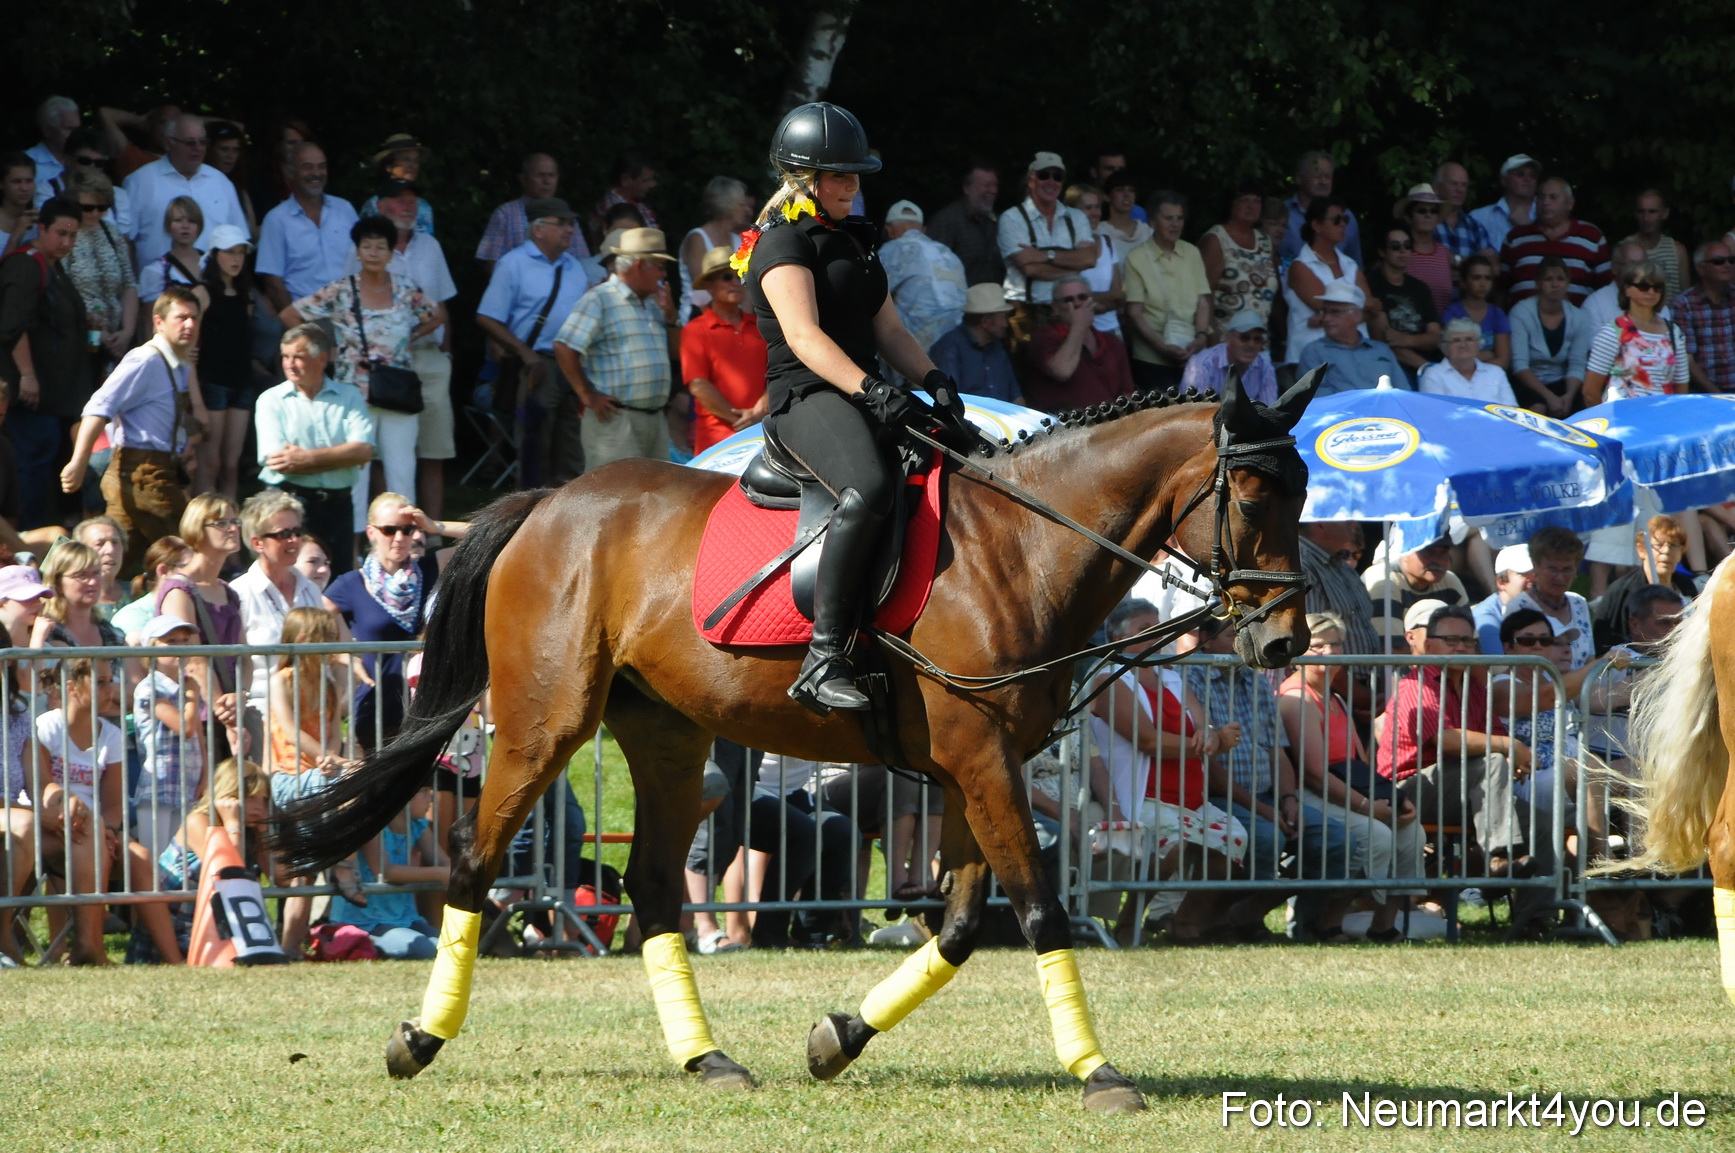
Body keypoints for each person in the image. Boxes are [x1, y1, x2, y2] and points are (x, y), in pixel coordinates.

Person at [739, 102, 981, 713]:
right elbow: (804, 337)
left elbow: (891, 328)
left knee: (970, 457)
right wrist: (872, 391)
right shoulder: (781, 243)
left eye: (856, 176)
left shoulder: (853, 240)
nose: (853, 185)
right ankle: (825, 658)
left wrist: (934, 379)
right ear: (804, 180)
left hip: (863, 389)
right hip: (807, 397)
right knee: (869, 486)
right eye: (840, 176)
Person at [1379, 605, 1559, 939]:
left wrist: (1512, 761)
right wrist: (1507, 747)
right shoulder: (1415, 684)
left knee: (1541, 820)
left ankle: (1536, 919)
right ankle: (1498, 861)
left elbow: (1489, 739)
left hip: (1467, 788)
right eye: (1450, 640)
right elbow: (1445, 741)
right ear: (1428, 644)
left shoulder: (1475, 688)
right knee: (1491, 762)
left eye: (1466, 640)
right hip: (1408, 790)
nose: (1460, 647)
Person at [1089, 602, 1253, 944]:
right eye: (1143, 628)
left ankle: (1186, 922)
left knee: (1234, 838)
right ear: (1116, 638)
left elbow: (1200, 724)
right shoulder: (1107, 678)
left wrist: (1213, 735)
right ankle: (1128, 924)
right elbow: (1148, 741)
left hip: (1189, 796)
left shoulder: (1172, 676)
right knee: (1171, 846)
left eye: (1158, 625)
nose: (1157, 633)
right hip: (1139, 795)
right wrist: (1213, 742)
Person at [1185, 622, 1354, 943]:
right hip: (1216, 797)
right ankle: (1213, 921)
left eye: (1246, 636)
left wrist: (1288, 799)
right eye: (1233, 636)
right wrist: (1264, 810)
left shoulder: (1257, 680)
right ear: (1204, 640)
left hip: (1266, 796)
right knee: (1265, 838)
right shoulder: (1190, 680)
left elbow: (1277, 750)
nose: (1243, 643)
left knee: (1337, 840)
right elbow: (1209, 765)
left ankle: (1275, 918)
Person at [280, 216, 443, 518]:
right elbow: (291, 314)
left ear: (391, 253)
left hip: (398, 392)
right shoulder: (340, 290)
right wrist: (322, 350)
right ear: (356, 251)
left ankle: (404, 539)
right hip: (352, 393)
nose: (373, 252)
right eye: (366, 245)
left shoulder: (406, 289)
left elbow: (438, 313)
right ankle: (351, 546)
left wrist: (412, 336)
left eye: (381, 246)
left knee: (401, 470)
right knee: (354, 472)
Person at [1277, 612, 1423, 942]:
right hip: (1310, 795)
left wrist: (1395, 800)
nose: (1330, 652)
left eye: (1336, 644)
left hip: (1348, 789)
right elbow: (1314, 775)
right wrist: (1368, 806)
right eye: (1318, 645)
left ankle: (1383, 926)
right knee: (1376, 834)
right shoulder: (1296, 699)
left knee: (1411, 832)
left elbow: (1361, 763)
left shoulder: (1337, 698)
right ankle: (1327, 923)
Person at [62, 286, 205, 574]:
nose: (189, 325)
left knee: (115, 562)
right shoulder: (145, 359)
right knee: (193, 552)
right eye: (181, 317)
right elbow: (98, 406)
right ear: (159, 322)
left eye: (193, 318)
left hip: (153, 473)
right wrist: (78, 462)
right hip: (142, 473)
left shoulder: (179, 365)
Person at [348, 179, 459, 526]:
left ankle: (428, 533)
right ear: (381, 205)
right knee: (377, 454)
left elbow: (440, 308)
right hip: (372, 372)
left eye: (413, 198)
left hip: (424, 357)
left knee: (430, 449)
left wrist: (436, 347)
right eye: (398, 200)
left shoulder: (430, 246)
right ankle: (376, 532)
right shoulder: (354, 263)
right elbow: (345, 309)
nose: (408, 205)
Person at [474, 197, 590, 487]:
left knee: (572, 445)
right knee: (534, 445)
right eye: (561, 223)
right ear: (538, 230)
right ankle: (529, 515)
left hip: (573, 364)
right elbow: (487, 316)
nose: (570, 230)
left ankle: (571, 516)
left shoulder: (574, 266)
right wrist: (526, 354)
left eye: (571, 224)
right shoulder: (513, 264)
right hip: (537, 368)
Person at [552, 227, 680, 472]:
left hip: (655, 419)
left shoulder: (653, 303)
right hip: (616, 421)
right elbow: (564, 345)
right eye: (660, 266)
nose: (663, 274)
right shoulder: (600, 298)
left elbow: (676, 354)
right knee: (615, 499)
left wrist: (672, 317)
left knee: (657, 500)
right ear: (639, 265)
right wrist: (586, 395)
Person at [1, 198, 94, 529]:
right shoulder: (26, 265)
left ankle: (35, 535)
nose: (67, 242)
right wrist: (27, 375)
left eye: (73, 236)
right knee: (31, 465)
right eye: (60, 234)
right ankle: (24, 540)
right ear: (41, 228)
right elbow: (13, 325)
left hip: (56, 394)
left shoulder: (53, 265)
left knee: (42, 462)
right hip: (30, 395)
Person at [254, 324, 375, 575]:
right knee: (289, 576)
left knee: (338, 576)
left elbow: (363, 451)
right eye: (285, 356)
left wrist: (304, 458)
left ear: (321, 359)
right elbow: (277, 461)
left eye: (298, 356)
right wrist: (341, 456)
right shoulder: (270, 400)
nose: (289, 364)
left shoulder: (349, 396)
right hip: (289, 502)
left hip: (338, 504)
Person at [324, 492, 439, 747]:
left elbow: (493, 534)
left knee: (423, 787)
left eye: (407, 530)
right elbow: (305, 626)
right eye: (389, 530)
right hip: (375, 708)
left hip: (425, 709)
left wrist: (435, 526)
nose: (399, 538)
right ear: (371, 533)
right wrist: (342, 655)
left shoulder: (430, 568)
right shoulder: (351, 584)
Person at [327, 781, 447, 960]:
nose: (430, 799)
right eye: (423, 791)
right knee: (426, 950)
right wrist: (439, 873)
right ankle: (361, 945)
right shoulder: (372, 825)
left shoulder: (419, 825)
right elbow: (385, 872)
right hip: (366, 922)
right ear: (400, 797)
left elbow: (445, 863)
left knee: (452, 949)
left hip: (406, 918)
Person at [232, 489, 327, 707]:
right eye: (283, 534)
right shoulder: (239, 593)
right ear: (258, 543)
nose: (294, 540)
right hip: (262, 711)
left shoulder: (310, 590)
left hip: (313, 710)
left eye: (297, 531)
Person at [189, 223, 259, 500]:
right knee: (210, 462)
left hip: (241, 383)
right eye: (230, 252)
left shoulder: (246, 296)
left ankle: (230, 521)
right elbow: (187, 353)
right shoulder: (202, 294)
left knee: (231, 464)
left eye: (241, 252)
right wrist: (197, 402)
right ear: (215, 255)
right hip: (212, 383)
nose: (236, 259)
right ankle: (201, 523)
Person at [122, 115, 246, 267]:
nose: (198, 148)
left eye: (203, 142)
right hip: (159, 285)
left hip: (214, 285)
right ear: (168, 143)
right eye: (190, 143)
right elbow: (125, 240)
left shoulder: (221, 182)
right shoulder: (140, 181)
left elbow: (238, 238)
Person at [130, 613, 205, 861]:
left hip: (188, 782)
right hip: (159, 784)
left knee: (182, 858)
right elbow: (185, 727)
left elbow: (199, 735)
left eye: (185, 640)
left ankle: (180, 901)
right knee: (156, 857)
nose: (181, 647)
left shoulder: (187, 685)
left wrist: (205, 774)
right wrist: (193, 693)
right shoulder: (150, 688)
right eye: (171, 641)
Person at [255, 143, 359, 315]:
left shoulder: (345, 209)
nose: (316, 174)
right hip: (307, 319)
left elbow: (364, 261)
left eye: (321, 167)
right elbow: (273, 281)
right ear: (290, 173)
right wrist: (295, 326)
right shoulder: (277, 219)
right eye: (307, 168)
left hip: (351, 317)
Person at [1121, 192, 1210, 390]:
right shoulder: (1136, 258)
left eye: (1179, 218)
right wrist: (1161, 348)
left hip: (1191, 353)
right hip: (1151, 358)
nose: (1175, 224)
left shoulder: (1192, 252)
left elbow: (1203, 301)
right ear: (1152, 221)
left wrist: (1202, 337)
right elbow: (1134, 313)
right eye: (1168, 218)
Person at [681, 247, 767, 453]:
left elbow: (777, 372)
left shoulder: (761, 325)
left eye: (739, 275)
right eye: (727, 277)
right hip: (717, 441)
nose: (735, 283)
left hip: (763, 432)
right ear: (709, 287)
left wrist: (760, 411)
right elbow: (699, 386)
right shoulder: (695, 330)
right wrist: (742, 419)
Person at [997, 151, 1099, 322]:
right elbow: (1030, 269)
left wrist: (1044, 255)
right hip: (1028, 311)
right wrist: (1075, 269)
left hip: (1071, 309)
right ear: (1031, 180)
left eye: (1057, 177)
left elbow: (1089, 259)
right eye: (1044, 175)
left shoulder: (1076, 216)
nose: (1051, 182)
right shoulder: (1012, 218)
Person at [1282, 195, 1376, 366]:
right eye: (1336, 220)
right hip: (1310, 362)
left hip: (1355, 358)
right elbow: (1332, 307)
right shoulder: (1300, 266)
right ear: (1316, 225)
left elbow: (1375, 307)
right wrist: (1361, 311)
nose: (1343, 224)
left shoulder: (1350, 264)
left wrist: (1328, 318)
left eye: (1345, 219)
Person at [1582, 259, 1688, 407]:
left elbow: (1681, 387)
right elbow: (1590, 392)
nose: (1651, 292)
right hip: (1621, 421)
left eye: (1657, 287)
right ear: (1627, 289)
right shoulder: (1612, 332)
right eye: (1643, 286)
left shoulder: (1674, 333)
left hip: (1664, 419)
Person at [1025, 274, 1136, 412]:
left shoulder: (1112, 342)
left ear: (1092, 302)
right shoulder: (1044, 337)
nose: (1077, 304)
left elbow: (1127, 392)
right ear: (1055, 308)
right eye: (1068, 300)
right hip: (1068, 427)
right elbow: (1062, 371)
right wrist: (1079, 326)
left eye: (1082, 297)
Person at [61, 169, 136, 370]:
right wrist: (98, 332)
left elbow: (129, 283)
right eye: (87, 207)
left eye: (102, 207)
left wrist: (127, 331)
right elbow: (63, 289)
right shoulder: (65, 233)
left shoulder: (111, 232)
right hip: (79, 338)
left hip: (117, 337)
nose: (95, 213)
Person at [475, 152, 592, 278]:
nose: (546, 181)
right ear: (524, 179)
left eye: (551, 175)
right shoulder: (505, 214)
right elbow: (492, 263)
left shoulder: (567, 218)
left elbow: (583, 262)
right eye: (540, 175)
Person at [1591, 515, 1695, 652]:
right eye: (1659, 545)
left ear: (1681, 551)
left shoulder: (1688, 588)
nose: (1666, 551)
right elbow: (1603, 642)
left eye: (1673, 545)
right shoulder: (1622, 591)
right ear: (1641, 550)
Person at [1500, 177, 1610, 306]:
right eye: (1541, 197)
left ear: (1570, 203)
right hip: (1523, 322)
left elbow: (1607, 289)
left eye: (1553, 197)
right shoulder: (1516, 238)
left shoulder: (1592, 236)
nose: (1545, 202)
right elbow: (1500, 288)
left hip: (1578, 323)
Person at [880, 200, 971, 355]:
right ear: (923, 230)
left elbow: (873, 295)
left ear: (889, 230)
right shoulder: (947, 253)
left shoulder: (892, 250)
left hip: (923, 341)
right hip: (963, 333)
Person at [1508, 257, 1591, 417]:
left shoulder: (1579, 317)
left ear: (1567, 283)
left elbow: (1577, 363)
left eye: (1560, 279)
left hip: (1563, 383)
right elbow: (1519, 365)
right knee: (1538, 409)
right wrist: (1549, 397)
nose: (1555, 284)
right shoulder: (1521, 313)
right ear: (1538, 283)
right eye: (1548, 279)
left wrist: (1569, 396)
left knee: (1584, 407)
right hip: (1529, 384)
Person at [1503, 526, 1594, 670]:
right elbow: (1518, 664)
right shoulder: (1519, 606)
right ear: (1535, 566)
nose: (1559, 577)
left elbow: (1589, 658)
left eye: (1567, 569)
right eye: (1552, 569)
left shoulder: (1579, 603)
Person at [1295, 283, 1404, 396]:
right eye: (1324, 312)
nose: (1326, 318)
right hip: (1342, 413)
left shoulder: (1381, 350)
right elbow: (1319, 400)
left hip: (1384, 412)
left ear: (1357, 315)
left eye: (1335, 312)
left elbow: (1403, 392)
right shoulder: (1313, 352)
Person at [1198, 181, 1277, 337]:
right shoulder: (1217, 239)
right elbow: (1204, 296)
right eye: (1244, 200)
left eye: (1257, 201)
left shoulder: (1266, 243)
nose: (1251, 206)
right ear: (1230, 204)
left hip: (1260, 344)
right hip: (1225, 342)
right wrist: (1212, 340)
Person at [1366, 224, 1442, 385]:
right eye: (1395, 246)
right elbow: (1384, 343)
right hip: (1388, 368)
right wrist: (1427, 367)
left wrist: (1403, 339)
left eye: (1407, 246)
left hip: (1426, 366)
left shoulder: (1420, 287)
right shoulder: (1370, 284)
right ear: (1381, 251)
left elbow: (1435, 338)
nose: (1403, 251)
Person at [1363, 534, 1468, 649]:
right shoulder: (1383, 579)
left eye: (1444, 552)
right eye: (1428, 552)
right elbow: (1390, 652)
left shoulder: (1449, 581)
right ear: (1403, 553)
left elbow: (1471, 643)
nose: (1439, 561)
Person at [927, 282, 1019, 404]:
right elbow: (948, 400)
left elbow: (1015, 394)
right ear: (986, 322)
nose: (1006, 324)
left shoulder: (997, 346)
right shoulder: (948, 348)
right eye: (1003, 318)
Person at [1297, 521, 1380, 654]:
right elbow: (1314, 632)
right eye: (1345, 519)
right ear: (1320, 523)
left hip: (1365, 672)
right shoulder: (1300, 564)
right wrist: (1338, 673)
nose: (1352, 522)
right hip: (1330, 673)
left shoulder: (1343, 567)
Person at [30, 538, 125, 651]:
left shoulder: (114, 635)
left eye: (96, 573)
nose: (93, 581)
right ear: (57, 582)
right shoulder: (45, 632)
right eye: (81, 575)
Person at [925, 159, 1004, 288]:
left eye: (995, 185)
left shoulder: (999, 222)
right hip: (959, 304)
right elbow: (933, 270)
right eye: (987, 185)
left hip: (996, 304)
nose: (993, 190)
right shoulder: (946, 221)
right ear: (967, 188)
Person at [678, 176, 750, 316]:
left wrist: (743, 323)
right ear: (727, 204)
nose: (747, 210)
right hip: (700, 319)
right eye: (741, 205)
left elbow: (747, 289)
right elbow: (701, 288)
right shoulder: (697, 238)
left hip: (737, 322)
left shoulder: (739, 241)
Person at [1279, 150, 1361, 264]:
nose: (1323, 182)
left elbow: (1356, 264)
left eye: (1328, 176)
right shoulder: (1282, 212)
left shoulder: (1346, 217)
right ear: (1299, 178)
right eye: (1317, 176)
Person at [1674, 240, 1735, 393]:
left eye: (1731, 260)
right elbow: (1687, 360)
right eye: (1718, 261)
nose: (1727, 265)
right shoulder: (1684, 304)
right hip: (1703, 393)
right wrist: (1718, 395)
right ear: (1701, 268)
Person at [1179, 310, 1277, 403]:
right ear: (1228, 338)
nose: (1251, 344)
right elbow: (1195, 411)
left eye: (1257, 339)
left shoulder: (1265, 367)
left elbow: (1269, 411)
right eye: (1244, 337)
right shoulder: (1202, 364)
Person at [111, 536, 191, 642]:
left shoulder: (200, 608)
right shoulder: (131, 618)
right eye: (189, 566)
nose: (199, 573)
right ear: (163, 571)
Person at [1439, 254, 1511, 371]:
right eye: (1476, 278)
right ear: (1463, 282)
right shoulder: (1451, 313)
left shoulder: (1498, 314)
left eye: (1488, 278)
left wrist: (1470, 360)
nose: (1483, 284)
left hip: (1490, 381)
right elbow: (1451, 358)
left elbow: (1504, 361)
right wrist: (1489, 354)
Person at [1419, 318, 1517, 402]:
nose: (1463, 345)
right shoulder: (1433, 374)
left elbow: (1512, 412)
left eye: (1469, 339)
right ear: (1445, 347)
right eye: (1456, 340)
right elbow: (1434, 414)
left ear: (1479, 344)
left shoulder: (1496, 372)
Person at [1392, 184, 1453, 317]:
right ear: (1408, 217)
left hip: (1443, 330)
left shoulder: (1444, 253)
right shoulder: (1400, 251)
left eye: (1433, 211)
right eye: (1422, 210)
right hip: (1409, 330)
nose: (1428, 215)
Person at [1621, 190, 1690, 301]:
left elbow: (1686, 295)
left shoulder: (1677, 250)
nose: (1646, 218)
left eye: (1652, 212)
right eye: (1641, 212)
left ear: (1665, 213)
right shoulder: (1624, 250)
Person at [135, 196, 204, 306]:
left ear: (199, 226)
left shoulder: (212, 262)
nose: (185, 226)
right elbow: (152, 318)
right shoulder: (157, 271)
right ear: (168, 226)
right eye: (178, 220)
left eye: (191, 221)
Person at [360, 134, 435, 235]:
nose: (413, 165)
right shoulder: (373, 205)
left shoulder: (424, 206)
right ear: (389, 166)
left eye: (416, 161)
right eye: (406, 160)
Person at [1468, 153, 1539, 253]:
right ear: (1504, 180)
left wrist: (1524, 227)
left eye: (1533, 176)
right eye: (1520, 174)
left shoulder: (1547, 215)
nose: (1528, 179)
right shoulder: (1478, 217)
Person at [1432, 160, 1496, 263]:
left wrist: (1455, 261)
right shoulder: (1426, 222)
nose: (1460, 190)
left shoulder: (1475, 227)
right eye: (1454, 184)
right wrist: (1473, 261)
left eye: (1464, 185)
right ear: (1436, 187)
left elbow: (1491, 265)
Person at [1580, 240, 1651, 334]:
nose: (1638, 272)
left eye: (1643, 266)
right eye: (1632, 265)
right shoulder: (1595, 305)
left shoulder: (1656, 301)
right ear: (1615, 267)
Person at [589, 148, 659, 243]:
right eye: (645, 181)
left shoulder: (637, 203)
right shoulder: (613, 209)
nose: (652, 184)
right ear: (625, 180)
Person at [1473, 543, 1532, 654]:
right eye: (1523, 574)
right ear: (1501, 582)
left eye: (1536, 573)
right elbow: (1500, 667)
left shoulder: (1544, 604)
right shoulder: (1486, 619)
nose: (1533, 580)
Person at [204, 121, 257, 238]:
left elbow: (250, 230)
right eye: (224, 149)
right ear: (209, 150)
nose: (230, 156)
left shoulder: (238, 185)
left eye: (235, 150)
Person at [25, 96, 80, 204]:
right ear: (47, 130)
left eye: (77, 129)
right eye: (68, 129)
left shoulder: (86, 161)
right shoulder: (27, 162)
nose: (76, 135)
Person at [73, 515, 127, 619]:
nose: (110, 550)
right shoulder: (72, 602)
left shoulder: (136, 592)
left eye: (115, 542)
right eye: (99, 544)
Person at [1096, 169, 1151, 252]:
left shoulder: (1147, 232)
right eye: (1120, 190)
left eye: (1131, 190)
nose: (1127, 194)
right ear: (1107, 197)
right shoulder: (1099, 232)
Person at [0, 151, 38, 258]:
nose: (24, 188)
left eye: (29, 181)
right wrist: (15, 236)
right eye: (16, 181)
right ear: (1, 184)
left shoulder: (38, 220)